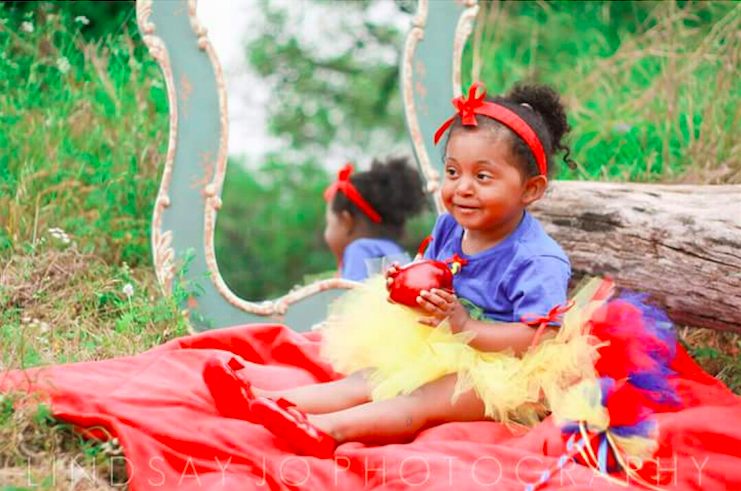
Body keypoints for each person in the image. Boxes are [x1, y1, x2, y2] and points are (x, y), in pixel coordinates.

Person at [203, 81, 596, 459]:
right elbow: (436, 270)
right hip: (446, 341)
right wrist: (409, 284)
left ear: (531, 189)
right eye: (454, 172)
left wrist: (467, 329)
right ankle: (265, 402)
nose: (462, 189)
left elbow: (541, 339)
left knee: (418, 399)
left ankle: (328, 429)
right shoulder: (451, 226)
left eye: (483, 176)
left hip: (510, 371)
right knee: (373, 378)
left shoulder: (536, 259)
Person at [324, 157, 427, 281]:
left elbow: (354, 296)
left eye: (328, 224)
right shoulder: (398, 254)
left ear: (347, 221)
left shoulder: (359, 250)